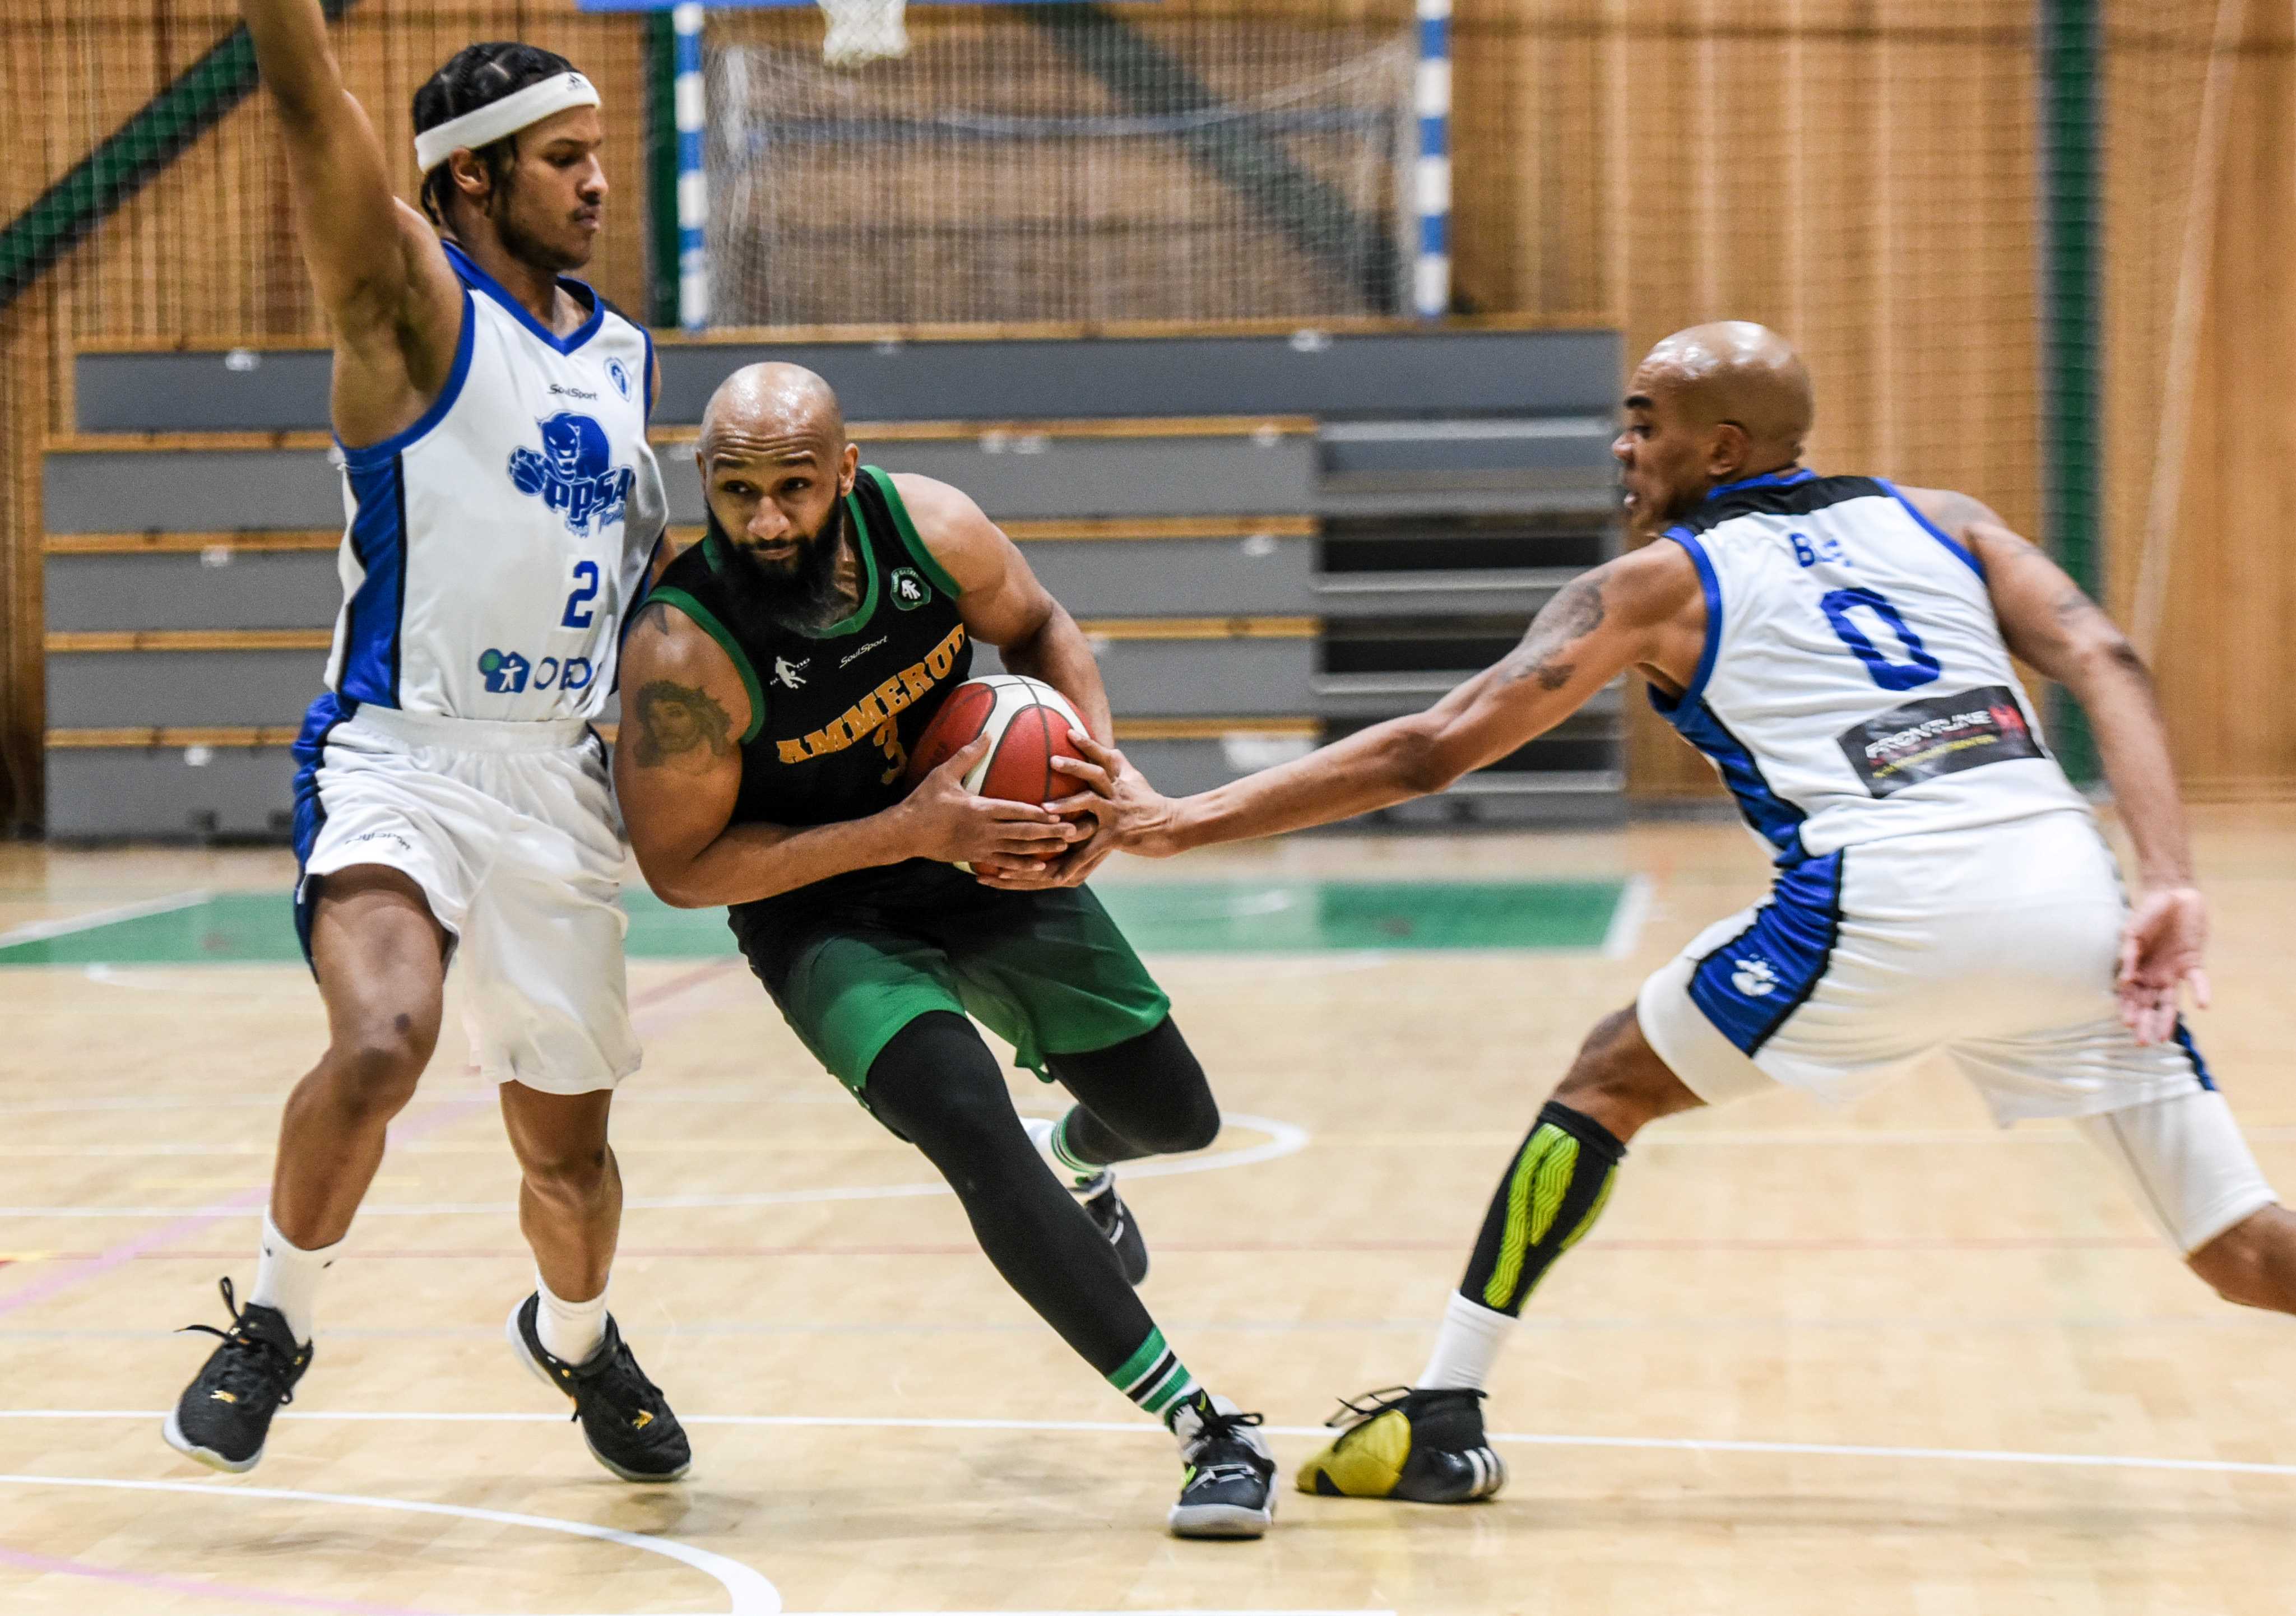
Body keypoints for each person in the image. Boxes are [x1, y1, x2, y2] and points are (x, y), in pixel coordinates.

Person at [1049, 320, 2293, 1503]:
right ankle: (1441, 1408)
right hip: (2075, 896)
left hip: (1886, 901)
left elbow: (1432, 750)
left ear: (1727, 449)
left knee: (1608, 1080)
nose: (1622, 446)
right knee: (2240, 1249)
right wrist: (2172, 873)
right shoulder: (1946, 519)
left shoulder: (1657, 584)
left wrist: (1177, 821)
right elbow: (2107, 659)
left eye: (1645, 424)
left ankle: (1446, 1414)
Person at [611, 362, 1278, 1538]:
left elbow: (1040, 627)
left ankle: (1085, 1162)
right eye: (737, 491)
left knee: (1176, 1116)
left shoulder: (933, 529)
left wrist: (1095, 784)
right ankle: (1206, 1423)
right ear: (705, 484)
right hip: (819, 903)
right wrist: (899, 829)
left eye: (794, 488)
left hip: (982, 847)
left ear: (846, 474)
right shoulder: (684, 643)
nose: (767, 519)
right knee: (965, 1116)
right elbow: (683, 866)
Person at [168, 5, 688, 1484]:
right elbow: (308, 106)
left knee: (567, 1161)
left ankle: (576, 1340)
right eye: (563, 160)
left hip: (557, 779)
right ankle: (273, 1320)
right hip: (400, 753)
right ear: (471, 179)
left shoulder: (624, 355)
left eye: (600, 157)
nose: (598, 184)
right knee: (383, 1036)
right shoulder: (409, 310)